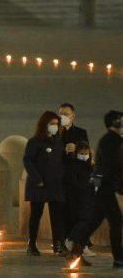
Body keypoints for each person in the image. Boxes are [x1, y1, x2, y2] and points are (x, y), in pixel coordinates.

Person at [69, 110, 123, 268]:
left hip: (101, 186)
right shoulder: (112, 140)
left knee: (96, 219)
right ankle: (119, 259)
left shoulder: (110, 139)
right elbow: (113, 166)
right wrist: (119, 186)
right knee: (116, 221)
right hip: (105, 186)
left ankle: (76, 249)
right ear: (115, 123)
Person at [23, 111, 67, 256]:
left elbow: (60, 161)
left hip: (55, 184)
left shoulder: (58, 141)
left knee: (58, 216)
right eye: (52, 124)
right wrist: (38, 179)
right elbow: (28, 161)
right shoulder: (35, 141)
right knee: (36, 215)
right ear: (45, 124)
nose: (55, 127)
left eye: (56, 124)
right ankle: (32, 244)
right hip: (39, 184)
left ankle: (58, 244)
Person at [58, 102, 91, 254]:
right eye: (60, 114)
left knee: (79, 210)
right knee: (63, 211)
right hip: (61, 178)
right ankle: (63, 241)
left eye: (65, 114)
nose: (62, 117)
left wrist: (76, 149)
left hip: (77, 177)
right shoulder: (56, 133)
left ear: (73, 116)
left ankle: (81, 243)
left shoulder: (80, 132)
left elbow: (86, 153)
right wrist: (63, 151)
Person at [62, 141, 95, 266]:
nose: (85, 155)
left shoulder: (90, 165)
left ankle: (76, 255)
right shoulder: (73, 165)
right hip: (77, 200)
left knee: (86, 226)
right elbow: (73, 183)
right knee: (83, 223)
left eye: (87, 153)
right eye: (82, 153)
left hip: (88, 199)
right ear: (77, 153)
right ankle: (71, 239)